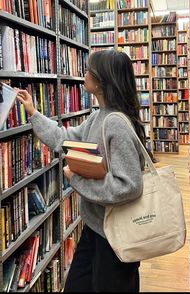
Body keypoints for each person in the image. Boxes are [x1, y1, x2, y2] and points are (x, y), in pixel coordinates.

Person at [16, 49, 149, 292]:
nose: (84, 74)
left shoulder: (116, 124)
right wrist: (33, 113)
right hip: (96, 230)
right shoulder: (98, 117)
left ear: (102, 80)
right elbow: (64, 139)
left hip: (115, 238)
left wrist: (76, 180)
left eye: (89, 70)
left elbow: (129, 185)